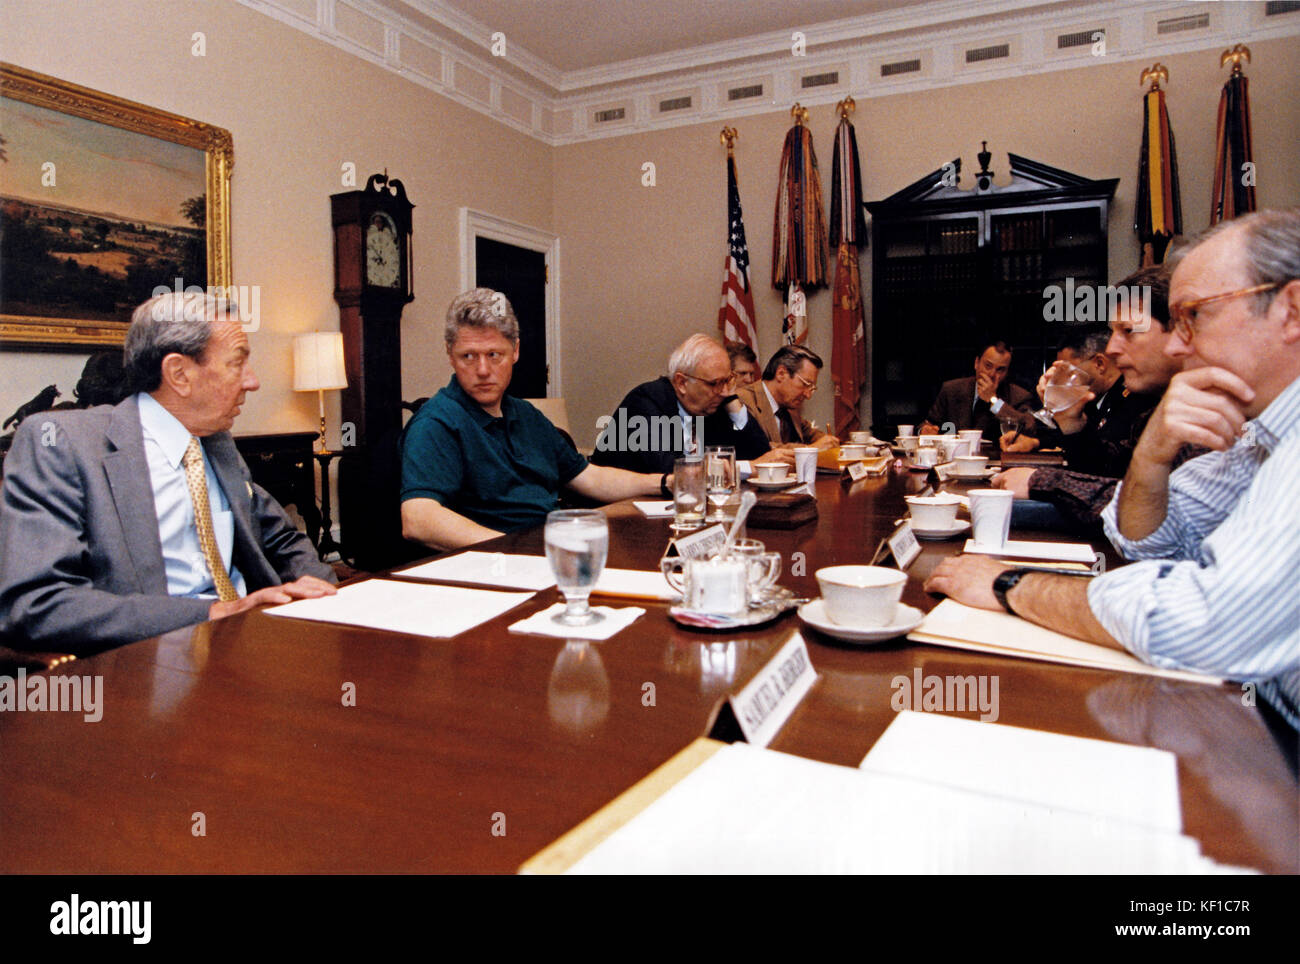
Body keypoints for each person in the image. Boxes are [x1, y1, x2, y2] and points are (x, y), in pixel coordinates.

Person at [925, 208, 1300, 728]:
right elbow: (1144, 541)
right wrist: (1152, 453)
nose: (1175, 343)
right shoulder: (1262, 430)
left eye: (1194, 316)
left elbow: (1201, 623)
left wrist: (1011, 585)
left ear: (1292, 310)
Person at [0, 292, 337, 654]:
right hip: (148, 664)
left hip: (250, 645)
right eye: (237, 363)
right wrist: (214, 612)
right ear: (178, 373)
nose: (252, 381)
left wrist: (327, 599)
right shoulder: (63, 445)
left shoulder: (216, 442)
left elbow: (281, 540)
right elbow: (37, 604)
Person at [401, 289, 664, 550]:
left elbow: (589, 477)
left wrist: (663, 482)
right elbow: (418, 518)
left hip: (549, 549)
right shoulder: (436, 423)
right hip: (497, 565)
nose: (482, 370)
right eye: (468, 356)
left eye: (494, 355)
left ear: (515, 351)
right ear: (450, 355)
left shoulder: (526, 415)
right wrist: (516, 550)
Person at [994, 266, 1187, 527]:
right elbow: (1107, 469)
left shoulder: (1205, 407)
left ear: (1182, 331)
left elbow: (1159, 513)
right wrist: (1071, 423)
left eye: (1128, 331)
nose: (1111, 349)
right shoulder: (1163, 402)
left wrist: (1040, 481)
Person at [591, 333, 772, 475]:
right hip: (618, 511)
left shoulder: (712, 406)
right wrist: (747, 467)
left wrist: (732, 401)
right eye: (714, 383)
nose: (724, 390)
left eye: (728, 381)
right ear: (682, 383)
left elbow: (761, 455)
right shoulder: (646, 401)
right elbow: (669, 469)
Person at [919, 339, 1036, 445]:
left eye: (1000, 369)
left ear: (1007, 372)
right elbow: (928, 424)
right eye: (988, 366)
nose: (992, 374)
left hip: (996, 463)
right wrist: (924, 430)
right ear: (976, 363)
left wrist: (993, 401)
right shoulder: (951, 390)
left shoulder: (1019, 396)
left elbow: (1028, 428)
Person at [736, 345, 838, 451]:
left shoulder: (788, 404)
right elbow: (758, 448)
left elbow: (810, 433)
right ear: (781, 373)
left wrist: (828, 442)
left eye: (811, 388)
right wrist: (811, 449)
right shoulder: (742, 401)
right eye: (805, 384)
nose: (808, 395)